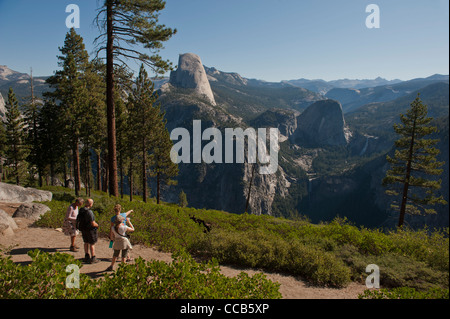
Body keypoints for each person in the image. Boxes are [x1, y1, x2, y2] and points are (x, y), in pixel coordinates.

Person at [76, 198, 99, 264]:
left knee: (86, 242)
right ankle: (93, 257)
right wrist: (97, 225)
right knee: (92, 243)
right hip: (90, 230)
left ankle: (87, 255)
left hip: (83, 229)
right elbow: (93, 223)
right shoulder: (89, 212)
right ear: (91, 204)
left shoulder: (81, 210)